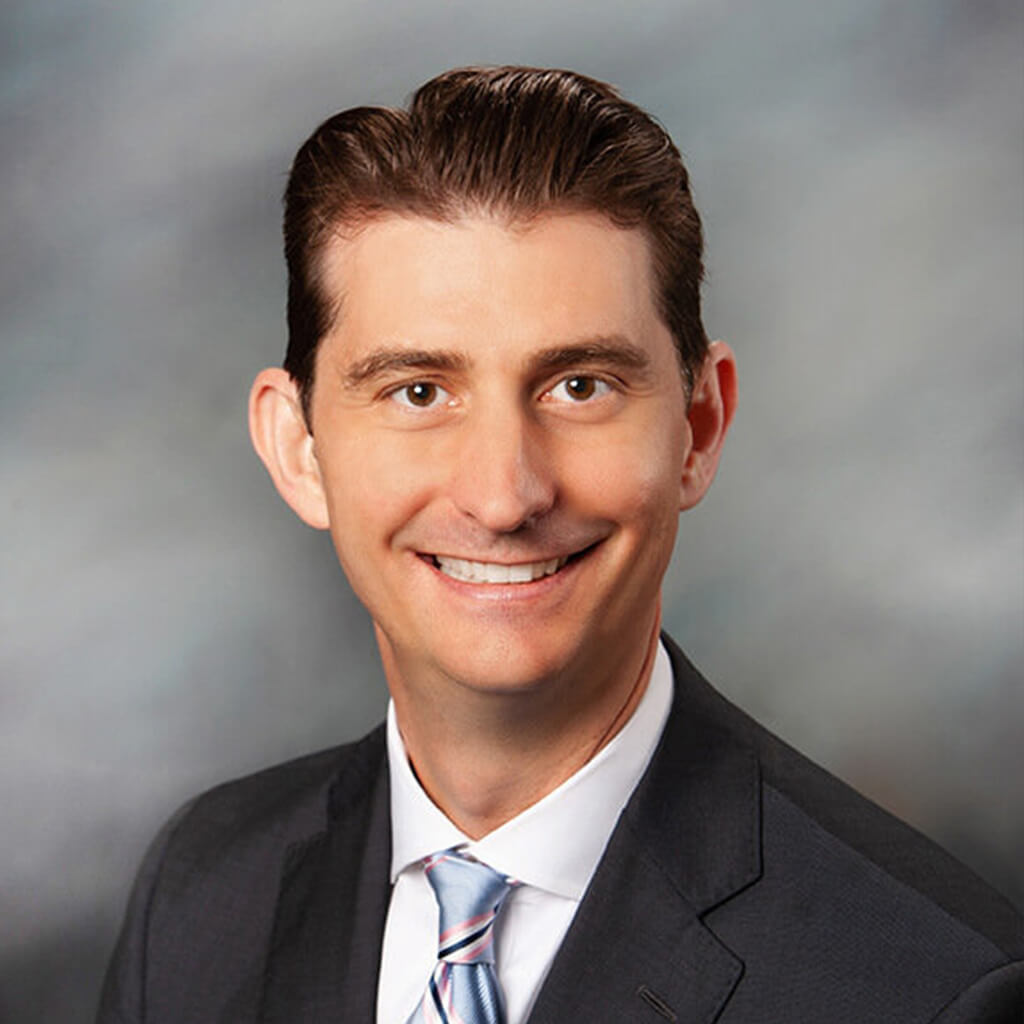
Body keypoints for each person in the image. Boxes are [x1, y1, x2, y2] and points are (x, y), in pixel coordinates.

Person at [97, 66, 1022, 1024]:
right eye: (419, 392)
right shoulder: (199, 898)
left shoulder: (932, 991)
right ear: (299, 450)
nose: (504, 497)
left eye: (580, 386)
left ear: (699, 430)